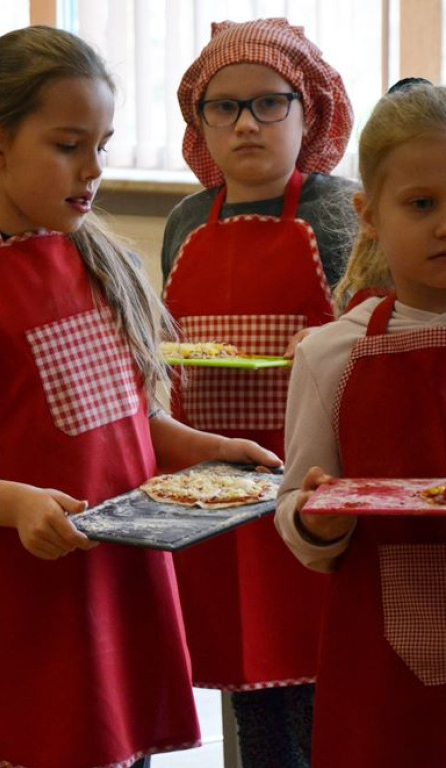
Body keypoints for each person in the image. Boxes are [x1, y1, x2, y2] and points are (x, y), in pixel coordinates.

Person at [0, 25, 278, 768]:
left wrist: (207, 452)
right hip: (18, 619)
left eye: (103, 144)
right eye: (68, 145)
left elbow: (125, 420)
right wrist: (21, 503)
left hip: (115, 598)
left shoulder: (94, 258)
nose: (94, 169)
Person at [159, 18, 358, 767]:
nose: (245, 123)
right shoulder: (186, 219)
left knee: (320, 680)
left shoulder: (336, 211)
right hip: (212, 488)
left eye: (269, 103)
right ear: (199, 121)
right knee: (248, 680)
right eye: (224, 106)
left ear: (310, 112)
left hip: (307, 481)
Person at [275, 79, 446, 768]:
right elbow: (295, 505)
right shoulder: (331, 354)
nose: (445, 223)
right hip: (381, 666)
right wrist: (317, 520)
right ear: (368, 213)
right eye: (421, 204)